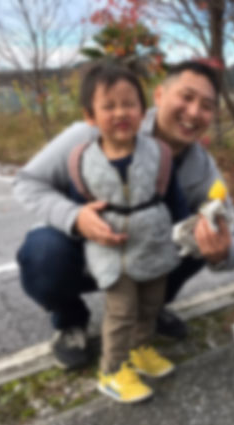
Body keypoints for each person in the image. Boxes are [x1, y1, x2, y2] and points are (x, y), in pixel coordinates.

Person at [14, 60, 234, 369]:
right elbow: (27, 182)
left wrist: (220, 252)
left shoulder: (202, 169)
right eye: (186, 97)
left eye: (206, 106)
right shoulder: (91, 133)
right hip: (88, 250)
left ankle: (148, 311)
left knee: (194, 238)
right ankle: (70, 321)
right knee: (42, 251)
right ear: (159, 95)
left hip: (148, 253)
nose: (193, 112)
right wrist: (75, 217)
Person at [71, 64, 185, 402]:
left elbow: (174, 198)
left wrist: (191, 228)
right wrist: (82, 225)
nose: (120, 112)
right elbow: (81, 208)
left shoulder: (159, 153)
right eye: (109, 106)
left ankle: (140, 350)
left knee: (150, 304)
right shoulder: (81, 160)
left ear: (143, 109)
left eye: (129, 104)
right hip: (111, 250)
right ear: (90, 116)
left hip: (152, 243)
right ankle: (112, 370)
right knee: (121, 312)